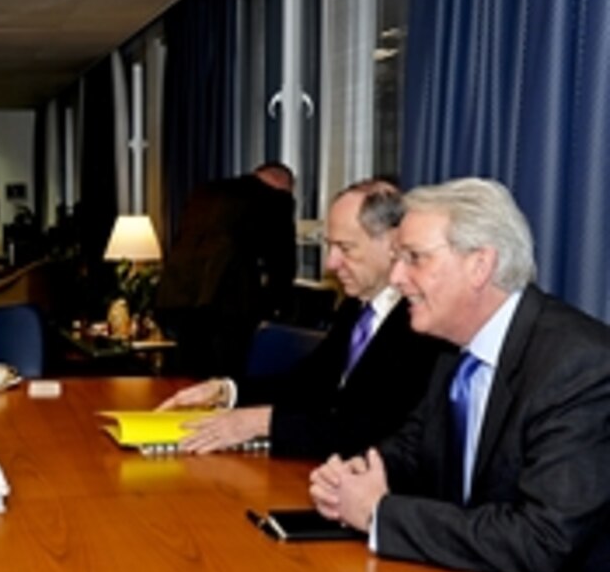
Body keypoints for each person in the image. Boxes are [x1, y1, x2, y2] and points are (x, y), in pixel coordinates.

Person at [309, 178, 610, 572]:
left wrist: (380, 515)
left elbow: (543, 539)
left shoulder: (579, 366)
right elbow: (414, 445)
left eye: (414, 259)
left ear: (479, 265)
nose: (396, 278)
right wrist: (356, 477)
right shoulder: (452, 347)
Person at [159, 179, 450, 459]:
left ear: (392, 244)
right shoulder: (355, 307)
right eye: (330, 247)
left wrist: (261, 423)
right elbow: (307, 385)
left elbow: (373, 429)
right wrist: (226, 391)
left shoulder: (422, 322)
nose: (331, 263)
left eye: (345, 248)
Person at [155, 162, 298, 377]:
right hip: (226, 304)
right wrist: (275, 308)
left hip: (176, 295)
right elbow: (282, 261)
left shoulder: (205, 192)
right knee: (225, 378)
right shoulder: (276, 198)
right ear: (282, 183)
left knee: (187, 373)